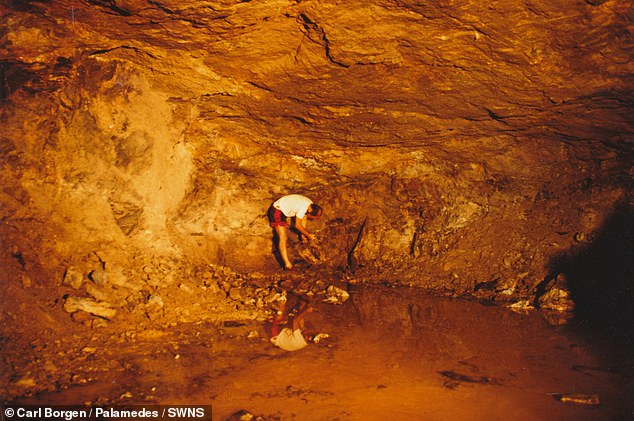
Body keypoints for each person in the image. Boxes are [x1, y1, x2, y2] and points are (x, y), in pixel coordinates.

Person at [268, 194, 322, 270]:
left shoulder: (310, 205)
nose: (312, 219)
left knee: (288, 235)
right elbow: (297, 225)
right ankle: (287, 264)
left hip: (283, 210)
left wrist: (302, 235)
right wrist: (308, 235)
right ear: (310, 212)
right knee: (283, 237)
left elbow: (303, 218)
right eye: (312, 218)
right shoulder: (303, 207)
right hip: (277, 210)